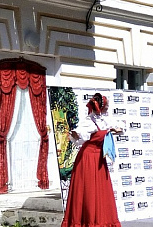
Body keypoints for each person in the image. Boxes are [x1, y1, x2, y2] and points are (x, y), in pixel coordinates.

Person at [61, 93, 124, 227]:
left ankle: (101, 220)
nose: (108, 108)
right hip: (88, 158)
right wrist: (74, 133)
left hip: (99, 158)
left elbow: (119, 129)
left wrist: (114, 129)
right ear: (101, 107)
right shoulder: (89, 121)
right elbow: (78, 134)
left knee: (101, 190)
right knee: (88, 190)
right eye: (106, 106)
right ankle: (87, 221)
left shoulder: (104, 120)